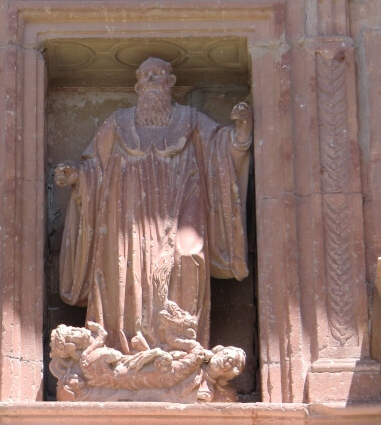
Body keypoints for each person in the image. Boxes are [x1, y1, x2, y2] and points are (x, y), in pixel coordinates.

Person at [55, 57, 252, 355]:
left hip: (183, 205)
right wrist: (77, 176)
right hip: (127, 216)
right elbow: (94, 166)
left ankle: (183, 347)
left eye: (157, 75)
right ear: (136, 85)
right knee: (126, 268)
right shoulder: (118, 122)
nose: (150, 81)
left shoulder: (191, 119)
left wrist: (241, 136)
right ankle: (122, 351)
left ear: (170, 83)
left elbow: (219, 151)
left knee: (189, 256)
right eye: (144, 76)